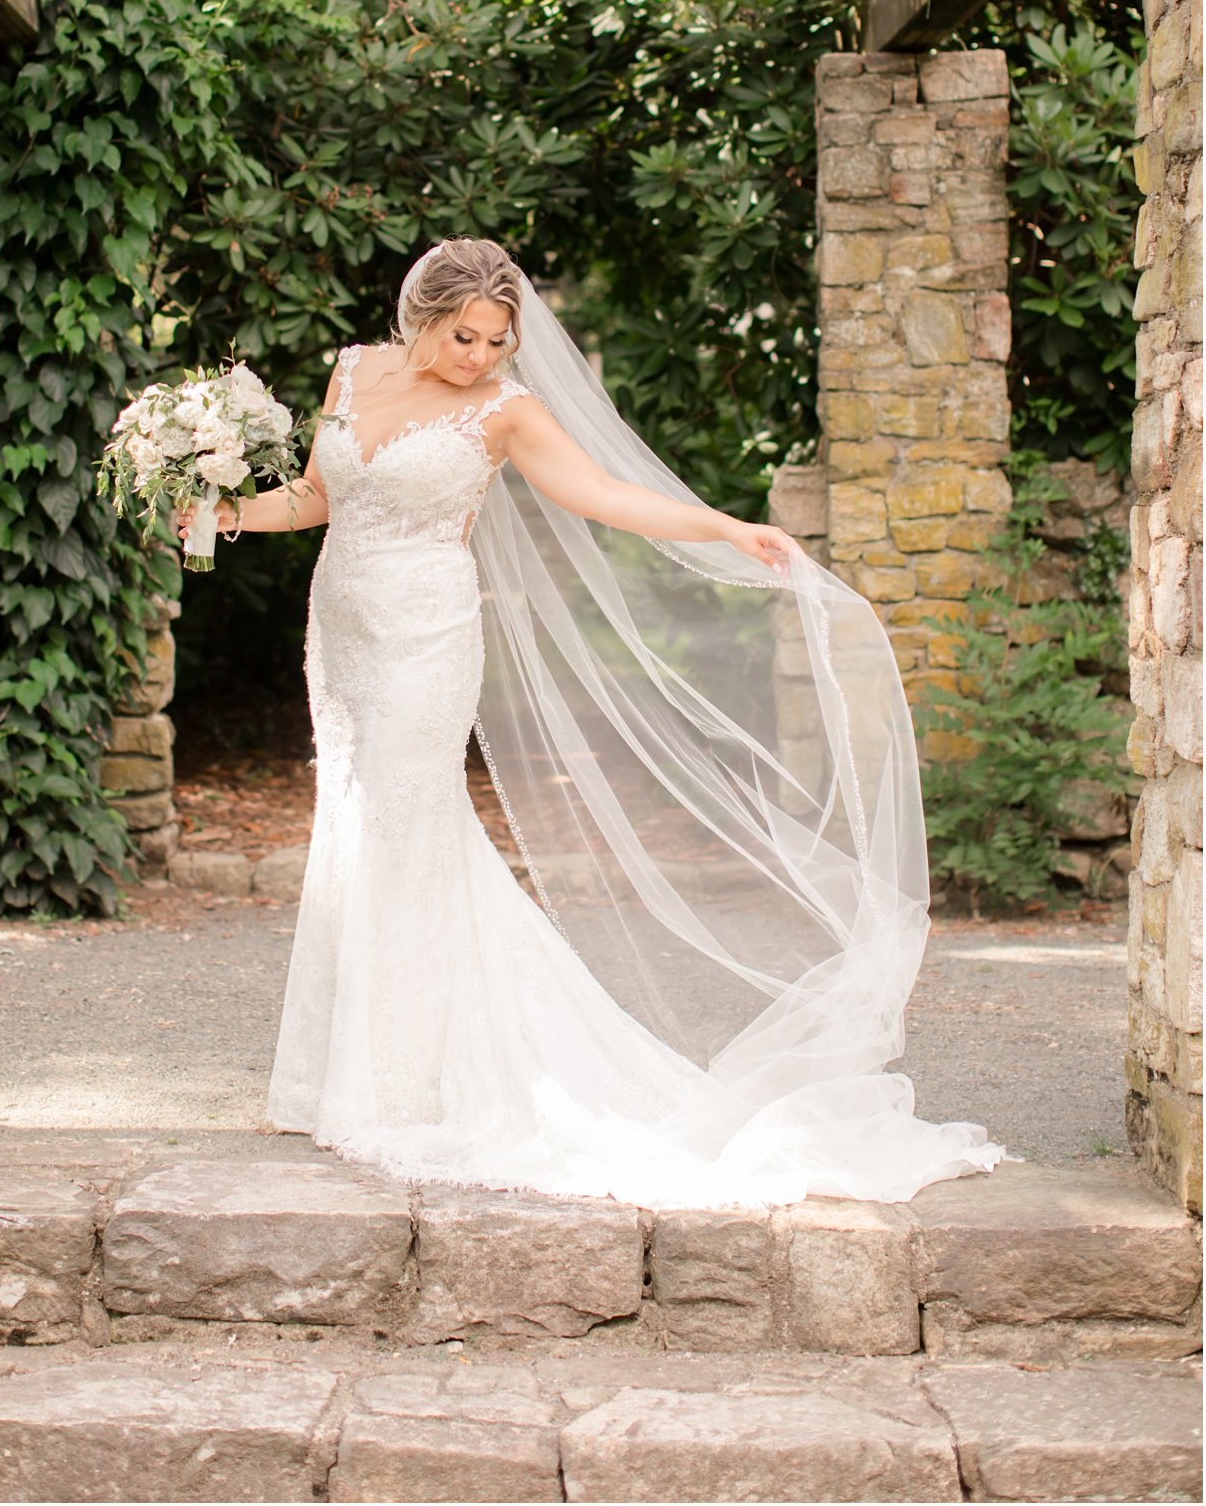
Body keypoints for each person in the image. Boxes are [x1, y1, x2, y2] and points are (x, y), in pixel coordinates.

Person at [179, 236, 1005, 1207]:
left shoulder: (505, 412)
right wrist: (222, 513)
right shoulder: (352, 371)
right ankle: (340, 1073)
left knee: (409, 831)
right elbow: (321, 497)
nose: (479, 357)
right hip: (343, 631)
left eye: (496, 340)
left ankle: (401, 1086)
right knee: (359, 833)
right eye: (462, 337)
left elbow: (603, 494)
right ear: (419, 318)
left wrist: (724, 528)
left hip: (425, 635)